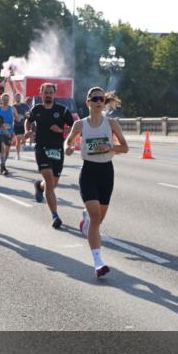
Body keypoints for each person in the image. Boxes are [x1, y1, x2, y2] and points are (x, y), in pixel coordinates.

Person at [65, 87, 129, 277]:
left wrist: (109, 146)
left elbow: (125, 148)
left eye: (101, 99)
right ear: (88, 103)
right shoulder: (80, 125)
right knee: (95, 217)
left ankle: (85, 220)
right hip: (89, 172)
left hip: (106, 172)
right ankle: (98, 262)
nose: (99, 101)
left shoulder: (112, 124)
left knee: (98, 219)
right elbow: (68, 141)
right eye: (95, 99)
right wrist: (68, 148)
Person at [26, 83, 75, 228]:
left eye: (50, 92)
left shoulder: (62, 110)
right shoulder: (36, 109)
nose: (48, 95)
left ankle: (39, 186)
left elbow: (73, 128)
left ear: (54, 94)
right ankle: (55, 216)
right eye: (45, 92)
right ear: (41, 93)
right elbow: (28, 121)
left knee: (52, 184)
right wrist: (27, 131)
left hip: (57, 149)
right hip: (41, 148)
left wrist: (61, 130)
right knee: (48, 178)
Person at [0, 93, 17, 176]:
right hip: (0, 132)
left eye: (7, 99)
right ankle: (3, 167)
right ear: (1, 100)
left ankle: (2, 165)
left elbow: (18, 119)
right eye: (4, 99)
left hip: (9, 132)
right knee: (2, 149)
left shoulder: (12, 108)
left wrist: (21, 117)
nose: (5, 101)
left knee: (7, 151)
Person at [12, 93, 29, 160]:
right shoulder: (13, 106)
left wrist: (26, 116)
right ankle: (18, 155)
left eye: (19, 97)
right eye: (17, 97)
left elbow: (28, 113)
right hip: (16, 125)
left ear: (20, 98)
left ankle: (21, 145)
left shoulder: (24, 106)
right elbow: (11, 115)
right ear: (15, 98)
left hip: (24, 125)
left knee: (23, 140)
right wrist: (14, 117)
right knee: (18, 139)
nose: (18, 98)